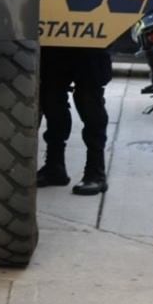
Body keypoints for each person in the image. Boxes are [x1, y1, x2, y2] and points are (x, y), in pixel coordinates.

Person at [38, 47, 112, 196]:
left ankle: (96, 172)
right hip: (54, 45)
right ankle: (54, 166)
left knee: (90, 102)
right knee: (51, 101)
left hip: (92, 44)